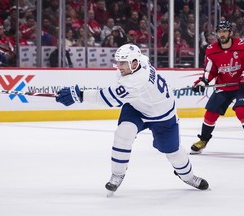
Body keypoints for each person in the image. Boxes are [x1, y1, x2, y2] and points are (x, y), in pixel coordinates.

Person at [55, 43, 209, 196]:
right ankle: (117, 174)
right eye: (118, 62)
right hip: (137, 107)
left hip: (163, 116)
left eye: (122, 63)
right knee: (123, 133)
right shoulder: (141, 60)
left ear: (134, 63)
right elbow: (116, 93)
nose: (118, 66)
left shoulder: (135, 82)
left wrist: (78, 95)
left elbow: (106, 98)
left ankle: (189, 177)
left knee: (173, 151)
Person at [190, 20, 244, 154]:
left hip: (241, 86)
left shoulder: (241, 45)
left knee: (241, 111)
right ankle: (203, 140)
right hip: (224, 86)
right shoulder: (211, 49)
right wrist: (203, 82)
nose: (222, 34)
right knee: (210, 114)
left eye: (225, 31)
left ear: (230, 33)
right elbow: (210, 71)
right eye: (220, 32)